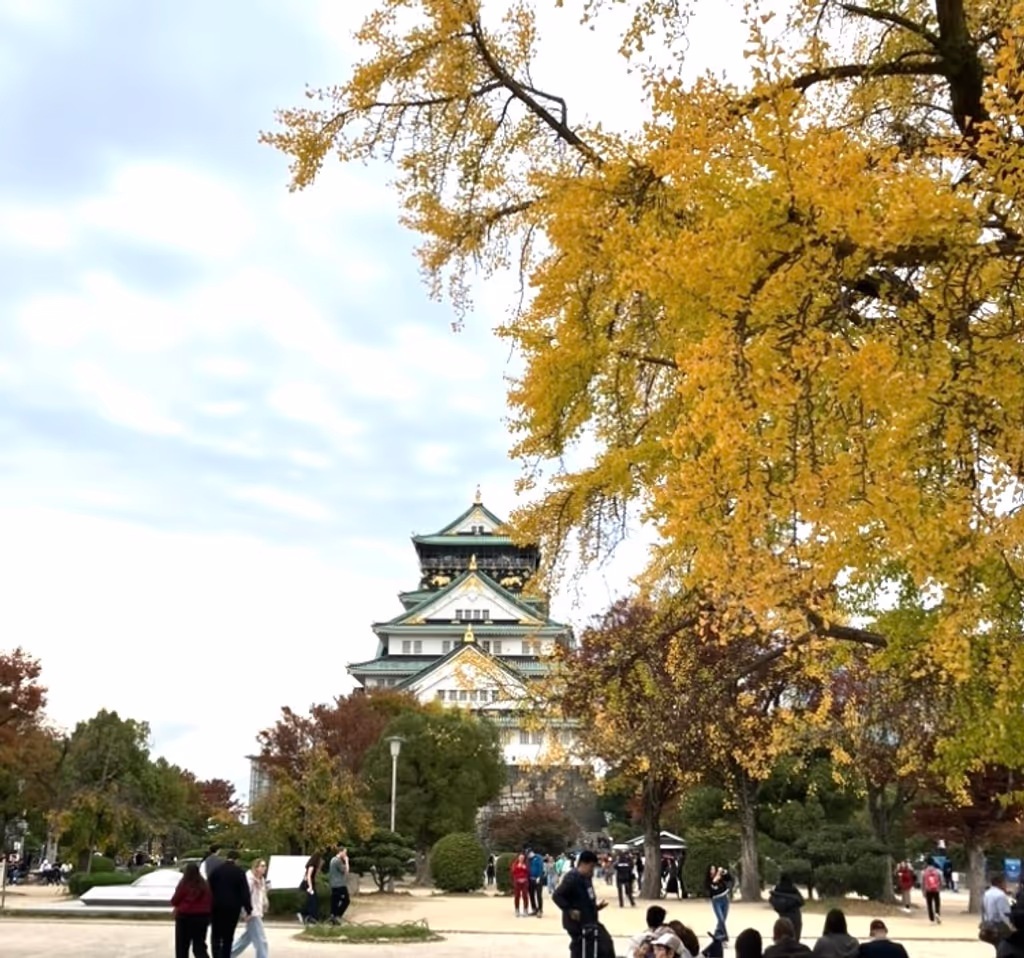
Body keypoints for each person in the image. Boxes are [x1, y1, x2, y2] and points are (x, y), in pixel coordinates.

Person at [552, 849, 614, 958]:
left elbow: (585, 898)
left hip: (589, 920)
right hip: (577, 924)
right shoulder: (572, 878)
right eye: (591, 866)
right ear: (583, 864)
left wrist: (596, 907)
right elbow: (557, 895)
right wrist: (570, 910)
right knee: (582, 948)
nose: (592, 870)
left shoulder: (586, 878)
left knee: (604, 944)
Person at [207, 850, 253, 958]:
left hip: (216, 907)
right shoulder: (239, 872)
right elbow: (244, 893)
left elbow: (209, 889)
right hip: (232, 908)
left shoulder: (216, 871)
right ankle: (225, 955)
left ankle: (216, 955)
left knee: (216, 934)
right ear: (237, 860)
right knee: (228, 935)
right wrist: (248, 909)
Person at [171, 862, 212, 958]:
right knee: (199, 945)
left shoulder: (184, 884)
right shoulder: (205, 885)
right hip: (202, 918)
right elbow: (210, 900)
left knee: (182, 946)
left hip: (185, 917)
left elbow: (175, 900)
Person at [230, 859, 269, 958]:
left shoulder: (262, 880)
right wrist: (245, 912)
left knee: (246, 939)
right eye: (262, 866)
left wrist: (265, 904)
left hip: (257, 910)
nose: (264, 868)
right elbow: (244, 897)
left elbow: (262, 895)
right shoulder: (249, 880)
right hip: (252, 913)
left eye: (265, 866)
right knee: (261, 940)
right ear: (256, 867)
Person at [769, 874, 805, 941]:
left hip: (783, 916)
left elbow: (772, 900)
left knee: (782, 936)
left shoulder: (777, 890)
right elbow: (801, 901)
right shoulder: (793, 889)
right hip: (795, 916)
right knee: (795, 938)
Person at [983, 873, 1013, 944]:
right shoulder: (1001, 895)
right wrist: (1010, 926)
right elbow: (1004, 914)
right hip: (998, 925)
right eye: (1005, 883)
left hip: (988, 924)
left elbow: (983, 910)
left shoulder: (987, 893)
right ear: (1000, 883)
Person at [707, 865, 732, 944]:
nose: (713, 870)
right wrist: (716, 878)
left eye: (714, 869)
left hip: (725, 899)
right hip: (716, 900)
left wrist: (724, 871)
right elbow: (712, 888)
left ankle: (717, 935)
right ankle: (724, 937)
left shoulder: (720, 877)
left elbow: (729, 878)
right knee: (721, 919)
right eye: (712, 869)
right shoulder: (709, 880)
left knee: (722, 920)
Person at [328, 845, 350, 924]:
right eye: (345, 852)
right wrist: (347, 861)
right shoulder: (338, 861)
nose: (345, 855)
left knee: (335, 901)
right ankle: (337, 915)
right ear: (340, 852)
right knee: (346, 900)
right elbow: (346, 871)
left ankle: (333, 916)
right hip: (339, 884)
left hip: (334, 884)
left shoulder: (332, 860)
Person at [299, 852, 321, 925]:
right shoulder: (311, 865)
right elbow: (308, 876)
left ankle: (308, 915)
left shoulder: (312, 865)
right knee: (312, 900)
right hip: (308, 883)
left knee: (312, 900)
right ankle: (310, 916)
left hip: (309, 883)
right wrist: (310, 887)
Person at [921, 857, 943, 924]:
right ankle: (937, 913)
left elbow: (922, 883)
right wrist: (939, 888)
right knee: (937, 903)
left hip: (928, 890)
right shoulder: (938, 871)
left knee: (929, 904)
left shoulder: (924, 872)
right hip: (936, 890)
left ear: (927, 863)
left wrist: (923, 891)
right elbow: (941, 881)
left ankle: (931, 919)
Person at [512, 852, 530, 917]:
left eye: (522, 858)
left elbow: (528, 872)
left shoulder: (526, 864)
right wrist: (518, 867)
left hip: (524, 882)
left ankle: (525, 910)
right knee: (517, 896)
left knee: (525, 896)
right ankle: (517, 910)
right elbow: (513, 872)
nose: (521, 859)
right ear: (518, 858)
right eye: (520, 857)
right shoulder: (515, 864)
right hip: (517, 882)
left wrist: (525, 868)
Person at [529, 849, 546, 916]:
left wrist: (539, 876)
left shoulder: (538, 858)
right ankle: (534, 909)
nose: (528, 856)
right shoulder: (529, 859)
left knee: (538, 895)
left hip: (538, 879)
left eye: (529, 854)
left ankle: (540, 910)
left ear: (531, 853)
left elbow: (540, 868)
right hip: (530, 879)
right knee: (531, 895)